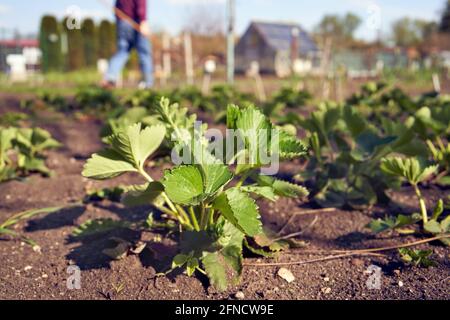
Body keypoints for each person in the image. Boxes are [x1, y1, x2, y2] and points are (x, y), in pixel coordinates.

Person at [103, 0, 153, 88]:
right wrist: (143, 21)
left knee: (122, 51)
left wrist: (120, 20)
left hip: (122, 22)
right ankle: (147, 82)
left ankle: (110, 77)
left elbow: (116, 7)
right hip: (136, 21)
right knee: (144, 52)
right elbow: (141, 3)